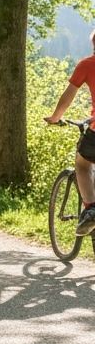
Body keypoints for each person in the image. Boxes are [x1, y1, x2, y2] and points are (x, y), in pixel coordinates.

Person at [46, 28, 95, 233]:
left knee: (82, 164)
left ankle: (91, 211)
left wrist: (55, 118)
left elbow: (68, 96)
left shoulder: (87, 65)